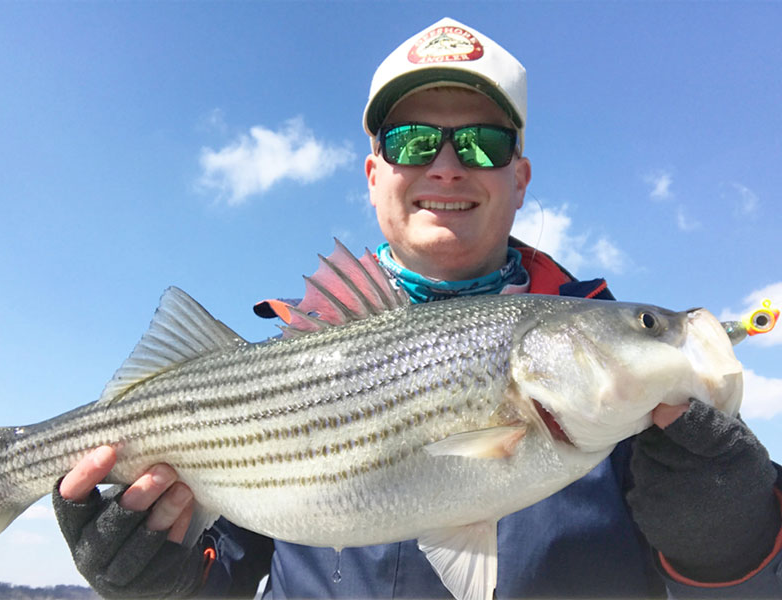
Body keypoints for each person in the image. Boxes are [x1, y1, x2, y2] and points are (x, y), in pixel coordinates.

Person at [53, 17, 782, 598]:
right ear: (374, 175)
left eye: (481, 142)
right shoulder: (290, 351)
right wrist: (168, 583)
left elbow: (741, 588)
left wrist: (738, 535)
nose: (446, 164)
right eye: (410, 141)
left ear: (519, 177)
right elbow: (227, 570)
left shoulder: (633, 387)